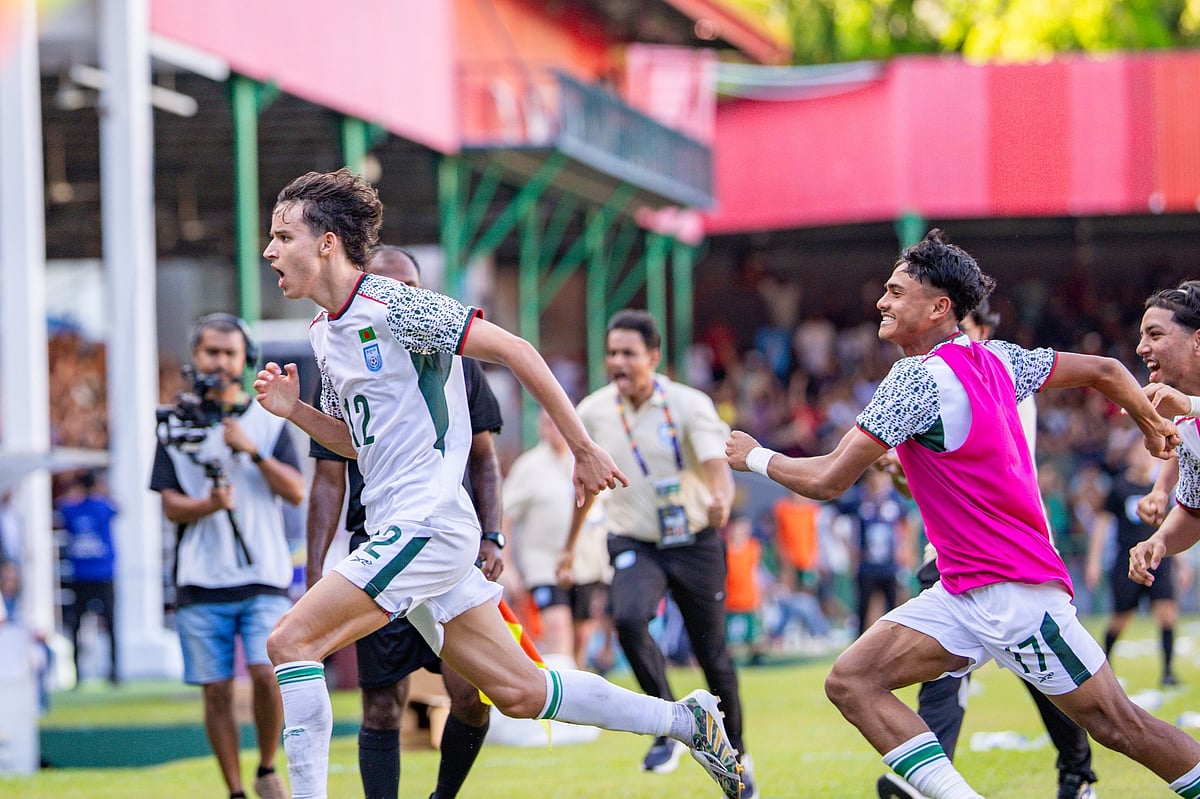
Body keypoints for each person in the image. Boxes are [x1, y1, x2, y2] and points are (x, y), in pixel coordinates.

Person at [255, 168, 743, 799]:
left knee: (291, 640)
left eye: (282, 236)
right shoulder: (324, 332)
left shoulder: (398, 305)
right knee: (521, 692)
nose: (269, 251)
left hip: (427, 524)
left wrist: (583, 448)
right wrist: (296, 412)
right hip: (405, 529)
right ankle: (684, 720)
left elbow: (517, 350)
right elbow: (357, 444)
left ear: (326, 244)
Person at [726, 229, 1200, 799]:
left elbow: (827, 478)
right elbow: (1105, 370)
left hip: (1013, 594)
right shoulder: (998, 357)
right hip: (963, 590)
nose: (881, 302)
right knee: (852, 680)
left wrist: (755, 456)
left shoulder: (915, 378)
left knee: (1122, 727)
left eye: (896, 292)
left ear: (938, 308)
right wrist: (1149, 424)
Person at [875, 299, 1100, 799]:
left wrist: (762, 459)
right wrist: (902, 469)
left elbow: (984, 469)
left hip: (1011, 554)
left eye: (965, 327)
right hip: (952, 555)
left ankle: (1077, 770)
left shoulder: (999, 376)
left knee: (1050, 679)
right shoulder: (933, 380)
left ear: (982, 329)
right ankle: (930, 779)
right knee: (934, 676)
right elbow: (930, 485)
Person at [305, 243, 503, 799]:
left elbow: (485, 460)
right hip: (379, 544)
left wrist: (493, 535)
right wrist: (316, 567)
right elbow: (329, 476)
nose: (400, 296)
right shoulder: (339, 352)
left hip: (444, 542)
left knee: (474, 694)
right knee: (382, 704)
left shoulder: (454, 355)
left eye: (410, 287)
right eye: (388, 285)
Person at [556, 309, 753, 797]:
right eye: (612, 353)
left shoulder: (688, 404)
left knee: (712, 653)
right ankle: (670, 722)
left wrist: (720, 499)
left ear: (654, 357)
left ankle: (738, 757)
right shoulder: (594, 411)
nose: (618, 362)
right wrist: (568, 548)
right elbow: (586, 484)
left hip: (694, 540)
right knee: (627, 617)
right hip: (634, 541)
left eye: (628, 353)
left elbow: (717, 468)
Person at [151, 312, 305, 799]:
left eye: (229, 353)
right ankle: (235, 790)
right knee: (215, 689)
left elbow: (296, 490)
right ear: (195, 357)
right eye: (211, 352)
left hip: (264, 573)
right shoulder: (173, 424)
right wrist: (208, 505)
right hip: (199, 578)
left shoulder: (268, 417)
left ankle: (266, 766)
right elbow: (169, 504)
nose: (219, 363)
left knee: (266, 672)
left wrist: (252, 452)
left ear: (245, 360)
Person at [1087, 437, 1179, 687]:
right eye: (1139, 453)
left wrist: (1181, 563)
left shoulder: (1162, 488)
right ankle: (1104, 666)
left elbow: (1175, 525)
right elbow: (1102, 525)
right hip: (1127, 561)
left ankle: (1168, 673)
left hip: (1160, 559)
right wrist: (1094, 562)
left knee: (1167, 613)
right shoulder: (1119, 488)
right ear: (1129, 456)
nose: (1144, 458)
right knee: (1121, 618)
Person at [503, 410, 589, 664]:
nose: (554, 428)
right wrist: (507, 564)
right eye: (548, 423)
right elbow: (506, 515)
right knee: (558, 631)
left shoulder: (584, 460)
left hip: (585, 564)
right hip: (544, 565)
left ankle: (578, 685)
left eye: (558, 422)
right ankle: (562, 685)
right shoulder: (528, 467)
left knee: (582, 637)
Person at [56, 469, 119, 686]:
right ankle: (113, 671)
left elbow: (61, 509)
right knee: (109, 624)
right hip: (99, 574)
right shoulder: (103, 506)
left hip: (84, 574)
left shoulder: (72, 508)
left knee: (77, 624)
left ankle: (79, 673)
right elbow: (118, 507)